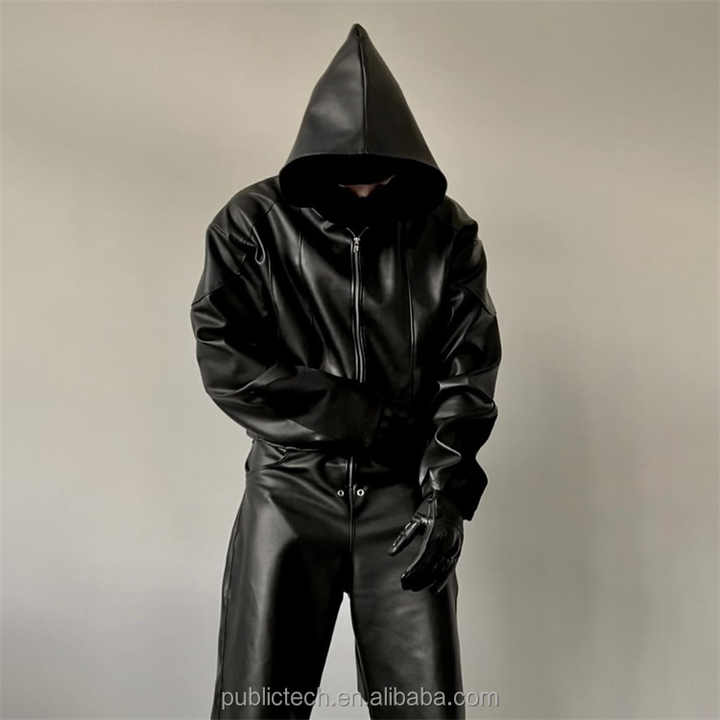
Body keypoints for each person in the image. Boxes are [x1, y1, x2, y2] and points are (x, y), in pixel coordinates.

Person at [190, 22, 502, 720]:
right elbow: (224, 353)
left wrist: (448, 494)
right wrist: (361, 418)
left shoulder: (445, 233)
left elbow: (468, 369)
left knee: (424, 705)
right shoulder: (254, 224)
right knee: (258, 703)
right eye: (345, 176)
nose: (363, 190)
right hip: (289, 494)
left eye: (378, 176)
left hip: (405, 502)